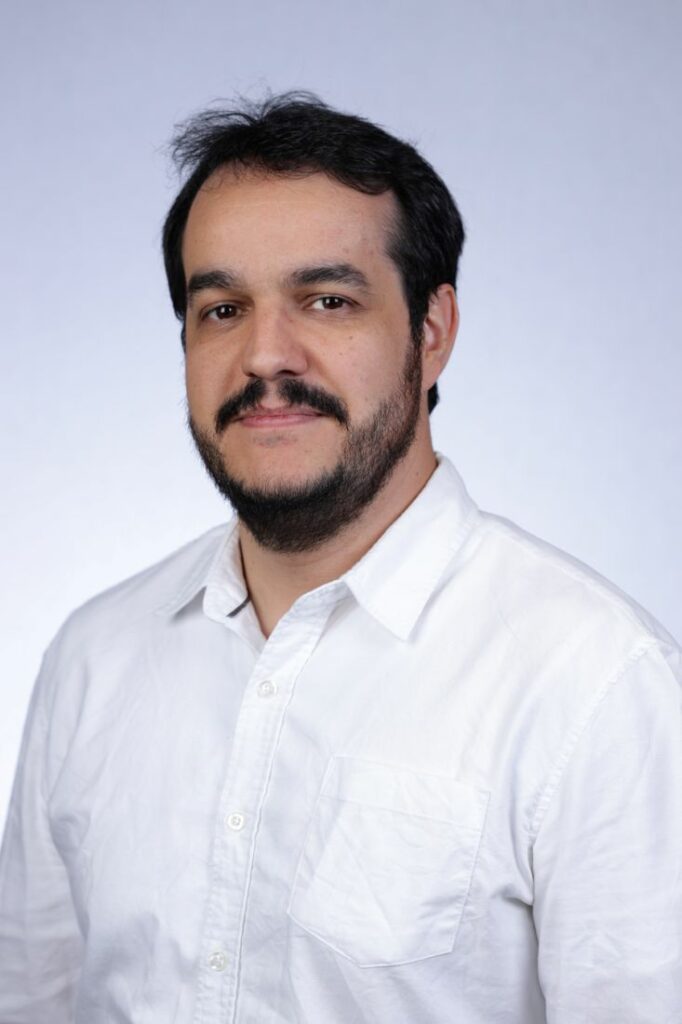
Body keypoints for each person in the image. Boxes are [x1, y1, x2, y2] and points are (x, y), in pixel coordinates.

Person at [0, 92, 680, 1024]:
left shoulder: (596, 685)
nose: (264, 357)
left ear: (432, 332)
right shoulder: (94, 657)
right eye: (222, 308)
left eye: (328, 301)